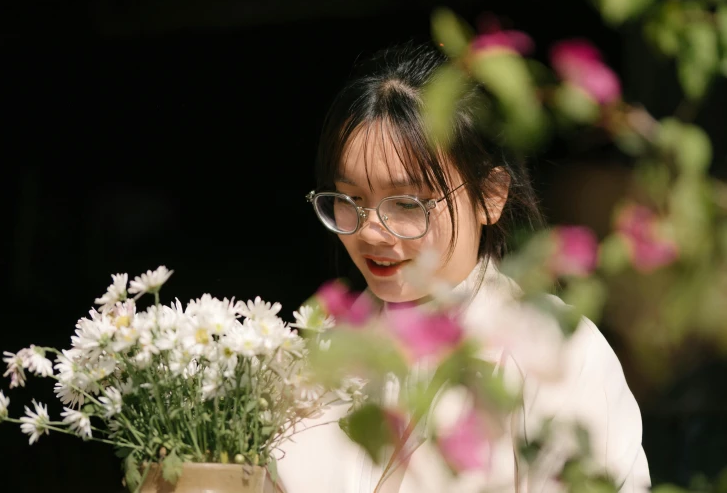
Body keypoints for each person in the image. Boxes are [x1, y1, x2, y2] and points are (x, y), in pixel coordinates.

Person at [275, 41, 651, 493]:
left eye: (407, 203)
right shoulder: (313, 358)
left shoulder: (552, 351)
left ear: (490, 196)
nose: (371, 231)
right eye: (350, 200)